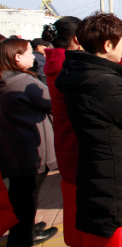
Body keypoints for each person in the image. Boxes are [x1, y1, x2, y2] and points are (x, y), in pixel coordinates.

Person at [55, 13, 122, 244]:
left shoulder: (81, 73)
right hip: (117, 182)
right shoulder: (104, 83)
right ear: (107, 45)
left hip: (103, 170)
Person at [0, 38, 59, 246]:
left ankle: (26, 229)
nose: (33, 56)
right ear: (17, 57)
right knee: (26, 199)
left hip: (11, 149)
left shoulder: (5, 80)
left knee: (19, 196)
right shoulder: (24, 82)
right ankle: (23, 236)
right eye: (28, 53)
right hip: (31, 150)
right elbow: (52, 103)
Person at [43, 17, 87, 247]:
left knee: (74, 201)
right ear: (77, 39)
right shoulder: (69, 68)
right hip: (76, 143)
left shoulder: (56, 62)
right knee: (82, 207)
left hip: (65, 140)